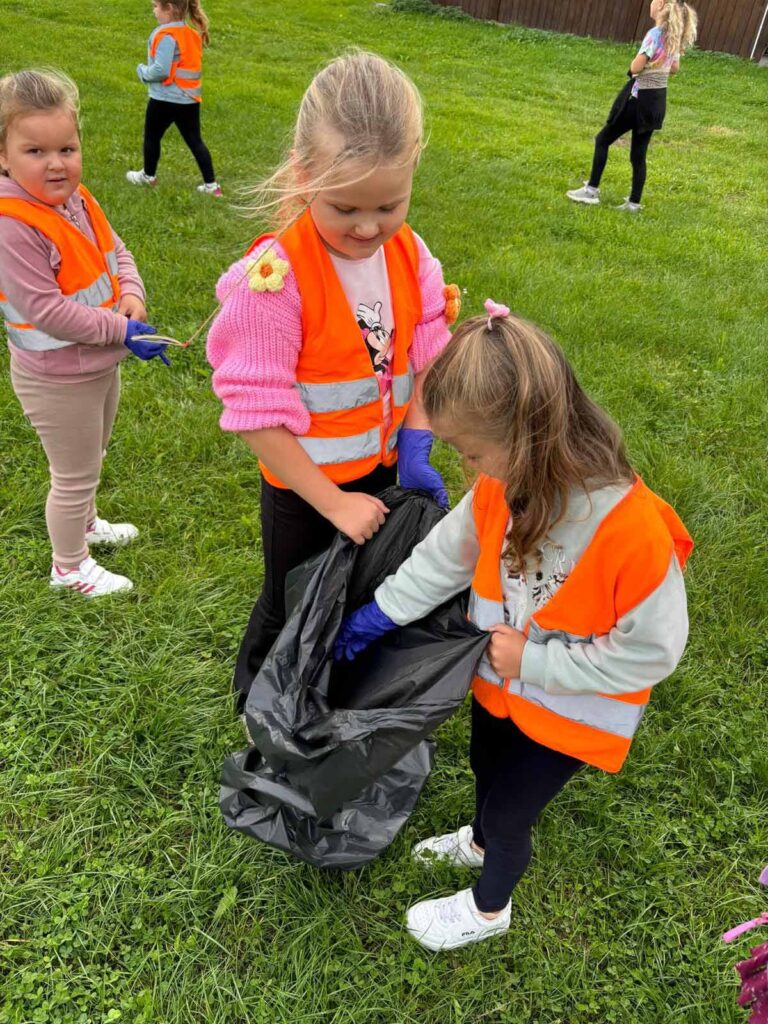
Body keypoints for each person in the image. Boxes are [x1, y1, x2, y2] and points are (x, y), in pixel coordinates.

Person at [335, 300, 693, 950]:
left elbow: (654, 651)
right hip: (502, 684)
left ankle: (488, 908)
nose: (469, 469)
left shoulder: (632, 532)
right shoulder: (505, 485)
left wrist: (536, 663)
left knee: (511, 810)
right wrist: (378, 612)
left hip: (570, 706)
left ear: (528, 435)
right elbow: (446, 557)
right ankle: (476, 842)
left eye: (472, 452)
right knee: (484, 764)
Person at [206, 50, 457, 707]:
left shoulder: (410, 254)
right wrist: (332, 502)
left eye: (390, 204)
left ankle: (325, 688)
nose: (369, 227)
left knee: (356, 589)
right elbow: (256, 416)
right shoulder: (277, 281)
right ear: (303, 174)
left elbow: (427, 352)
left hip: (381, 468)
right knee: (292, 594)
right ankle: (258, 694)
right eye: (345, 208)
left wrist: (417, 441)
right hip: (304, 484)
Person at [0, 69, 168, 597]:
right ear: (3, 157)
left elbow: (116, 251)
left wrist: (133, 294)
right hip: (55, 377)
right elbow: (48, 311)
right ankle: (69, 566)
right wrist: (122, 328)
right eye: (35, 151)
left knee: (91, 456)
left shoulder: (75, 200)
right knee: (71, 475)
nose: (57, 163)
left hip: (98, 362)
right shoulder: (12, 225)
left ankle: (87, 524)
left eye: (67, 148)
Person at [567, 0, 698, 212]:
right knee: (638, 154)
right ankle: (634, 203)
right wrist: (659, 67)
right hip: (656, 103)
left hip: (638, 101)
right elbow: (674, 68)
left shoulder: (655, 34)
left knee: (603, 139)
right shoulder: (674, 36)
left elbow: (636, 65)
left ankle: (591, 191)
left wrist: (640, 65)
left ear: (660, 5)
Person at [127, 0, 221, 196]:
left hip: (164, 98)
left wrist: (143, 72)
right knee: (195, 141)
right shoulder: (191, 34)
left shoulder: (166, 35)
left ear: (168, 8)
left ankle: (148, 176)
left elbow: (161, 70)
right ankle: (212, 186)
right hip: (188, 99)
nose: (153, 11)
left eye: (155, 6)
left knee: (152, 137)